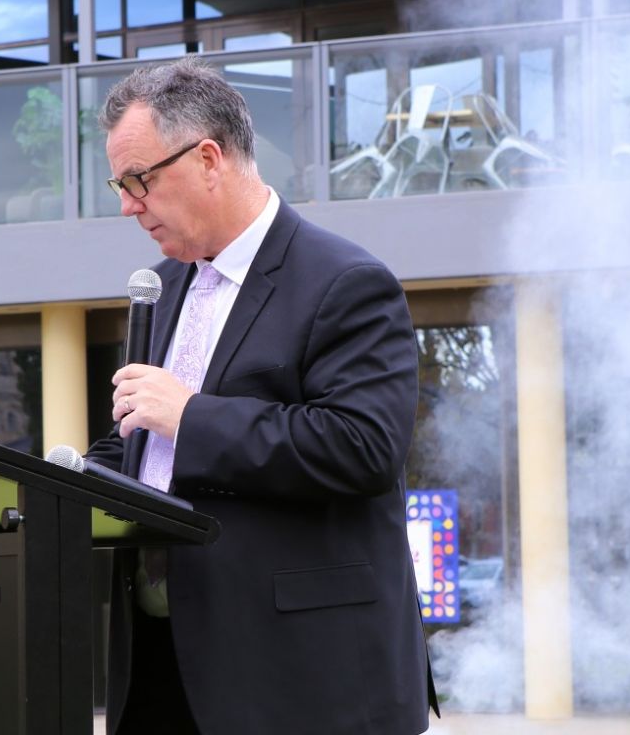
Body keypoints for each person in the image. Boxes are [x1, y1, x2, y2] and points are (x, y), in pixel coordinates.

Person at [85, 57, 436, 735]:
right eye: (120, 184)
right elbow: (140, 442)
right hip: (161, 673)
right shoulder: (162, 286)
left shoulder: (347, 283)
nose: (128, 204)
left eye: (138, 180)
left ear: (209, 158)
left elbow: (362, 448)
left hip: (301, 682)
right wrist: (50, 481)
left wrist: (191, 416)